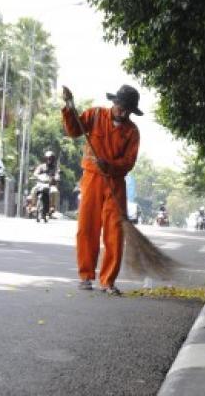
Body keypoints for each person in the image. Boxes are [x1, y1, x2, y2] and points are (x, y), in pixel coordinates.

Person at [61, 84, 141, 295]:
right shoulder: (95, 115)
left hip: (115, 183)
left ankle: (108, 281)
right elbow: (73, 130)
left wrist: (111, 166)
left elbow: (128, 162)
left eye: (128, 110)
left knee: (115, 232)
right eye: (121, 107)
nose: (123, 112)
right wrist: (69, 107)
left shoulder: (132, 132)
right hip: (92, 179)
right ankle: (86, 276)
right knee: (87, 228)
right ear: (114, 103)